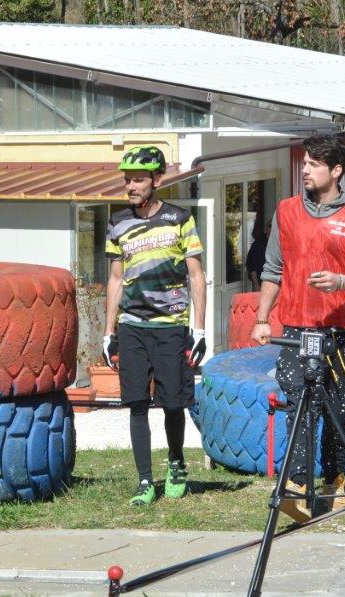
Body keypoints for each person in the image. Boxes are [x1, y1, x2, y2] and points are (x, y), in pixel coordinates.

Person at [249, 134, 345, 521]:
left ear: (336, 170)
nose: (305, 170)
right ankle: (297, 487)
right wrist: (262, 319)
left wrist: (341, 281)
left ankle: (335, 483)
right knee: (300, 405)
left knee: (339, 409)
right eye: (304, 162)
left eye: (313, 164)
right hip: (297, 331)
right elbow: (272, 270)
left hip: (342, 334)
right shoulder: (286, 212)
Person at [102, 145, 207, 506]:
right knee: (136, 404)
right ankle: (145, 480)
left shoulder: (179, 219)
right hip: (132, 327)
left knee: (173, 403)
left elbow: (196, 275)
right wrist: (108, 332)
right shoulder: (117, 222)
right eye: (127, 180)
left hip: (171, 326)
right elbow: (116, 279)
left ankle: (176, 463)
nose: (131, 186)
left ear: (157, 180)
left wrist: (199, 330)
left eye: (138, 180)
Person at [246, 218, 271, 291]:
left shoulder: (279, 241)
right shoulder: (258, 243)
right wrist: (256, 284)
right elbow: (252, 265)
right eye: (270, 226)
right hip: (260, 281)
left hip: (275, 281)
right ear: (266, 229)